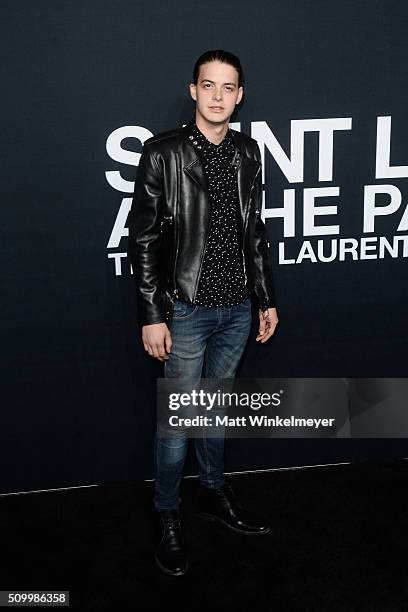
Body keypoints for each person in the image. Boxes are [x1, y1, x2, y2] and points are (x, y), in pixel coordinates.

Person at [127, 49, 279, 576]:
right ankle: (168, 516)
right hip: (186, 310)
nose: (218, 97)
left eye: (228, 88)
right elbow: (143, 239)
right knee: (178, 423)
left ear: (240, 95)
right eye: (208, 86)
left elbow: (254, 232)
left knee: (215, 414)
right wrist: (152, 313)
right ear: (193, 90)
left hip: (237, 309)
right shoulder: (162, 153)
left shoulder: (248, 152)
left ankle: (213, 495)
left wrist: (265, 298)